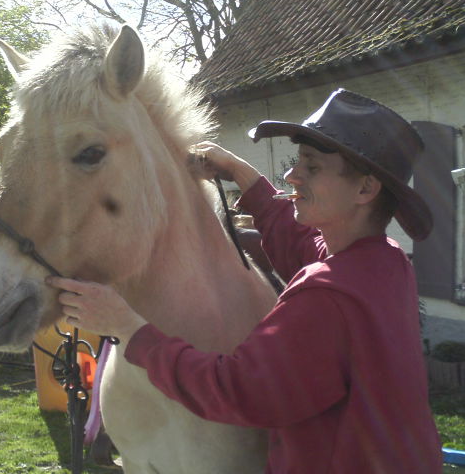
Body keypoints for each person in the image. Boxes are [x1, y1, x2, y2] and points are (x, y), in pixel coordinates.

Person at [48, 88, 443, 473]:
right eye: (296, 161)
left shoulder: (326, 297)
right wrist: (246, 178)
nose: (292, 174)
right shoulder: (385, 259)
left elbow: (236, 392)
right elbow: (306, 246)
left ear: (365, 188)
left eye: (312, 166)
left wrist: (128, 329)